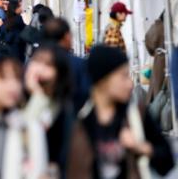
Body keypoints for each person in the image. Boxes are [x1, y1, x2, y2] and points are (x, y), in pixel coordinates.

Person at [66, 45, 174, 178]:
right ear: (103, 81)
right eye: (123, 76)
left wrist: (140, 147)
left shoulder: (136, 115)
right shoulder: (82, 123)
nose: (130, 84)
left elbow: (167, 162)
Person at [24, 45, 75, 176]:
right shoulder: (18, 100)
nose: (39, 68)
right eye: (36, 61)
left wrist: (37, 94)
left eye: (48, 64)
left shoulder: (62, 108)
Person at [42, 17, 90, 113]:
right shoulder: (78, 63)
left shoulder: (36, 64)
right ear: (66, 36)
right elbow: (85, 91)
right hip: (71, 116)